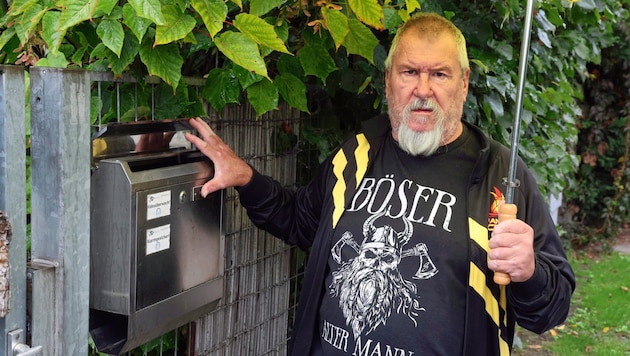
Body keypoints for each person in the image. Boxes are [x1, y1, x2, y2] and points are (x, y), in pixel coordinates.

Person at [185, 12, 575, 356]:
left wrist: (530, 271)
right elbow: (300, 222)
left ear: (464, 82)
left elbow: (550, 309)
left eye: (439, 74)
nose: (423, 90)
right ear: (389, 80)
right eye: (410, 72)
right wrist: (246, 178)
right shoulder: (355, 155)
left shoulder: (501, 178)